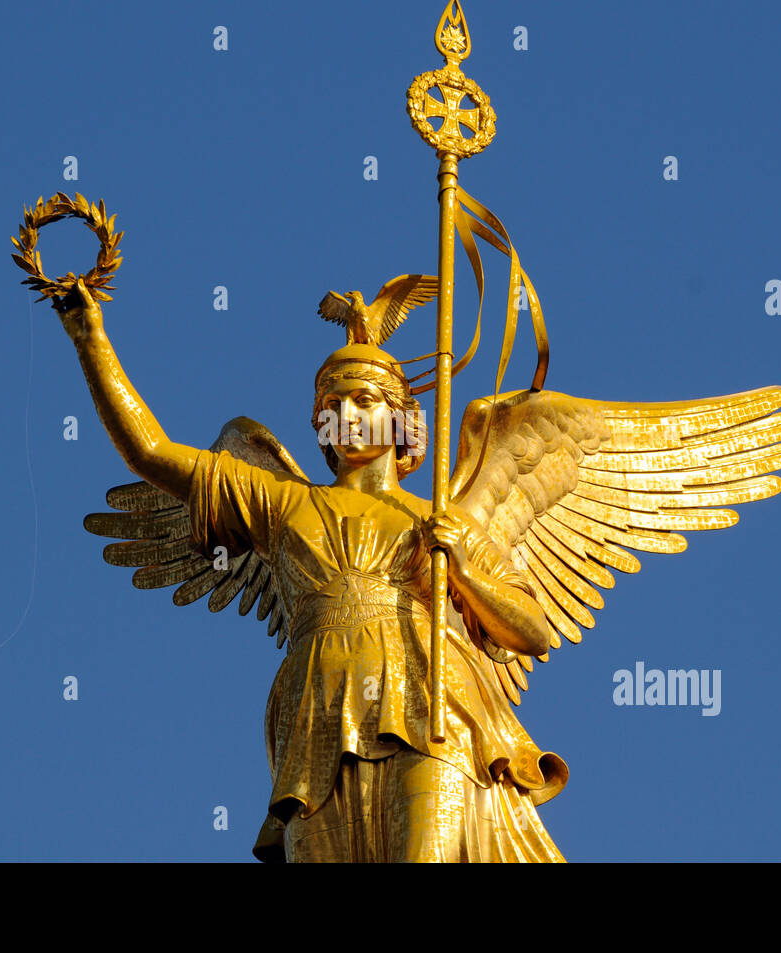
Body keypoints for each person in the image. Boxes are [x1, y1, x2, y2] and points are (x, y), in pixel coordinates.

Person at [54, 280, 568, 862]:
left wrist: (463, 575)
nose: (348, 416)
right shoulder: (280, 503)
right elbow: (149, 452)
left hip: (430, 699)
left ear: (401, 421)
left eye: (367, 402)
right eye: (333, 407)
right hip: (316, 708)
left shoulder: (443, 522)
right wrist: (88, 337)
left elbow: (532, 631)